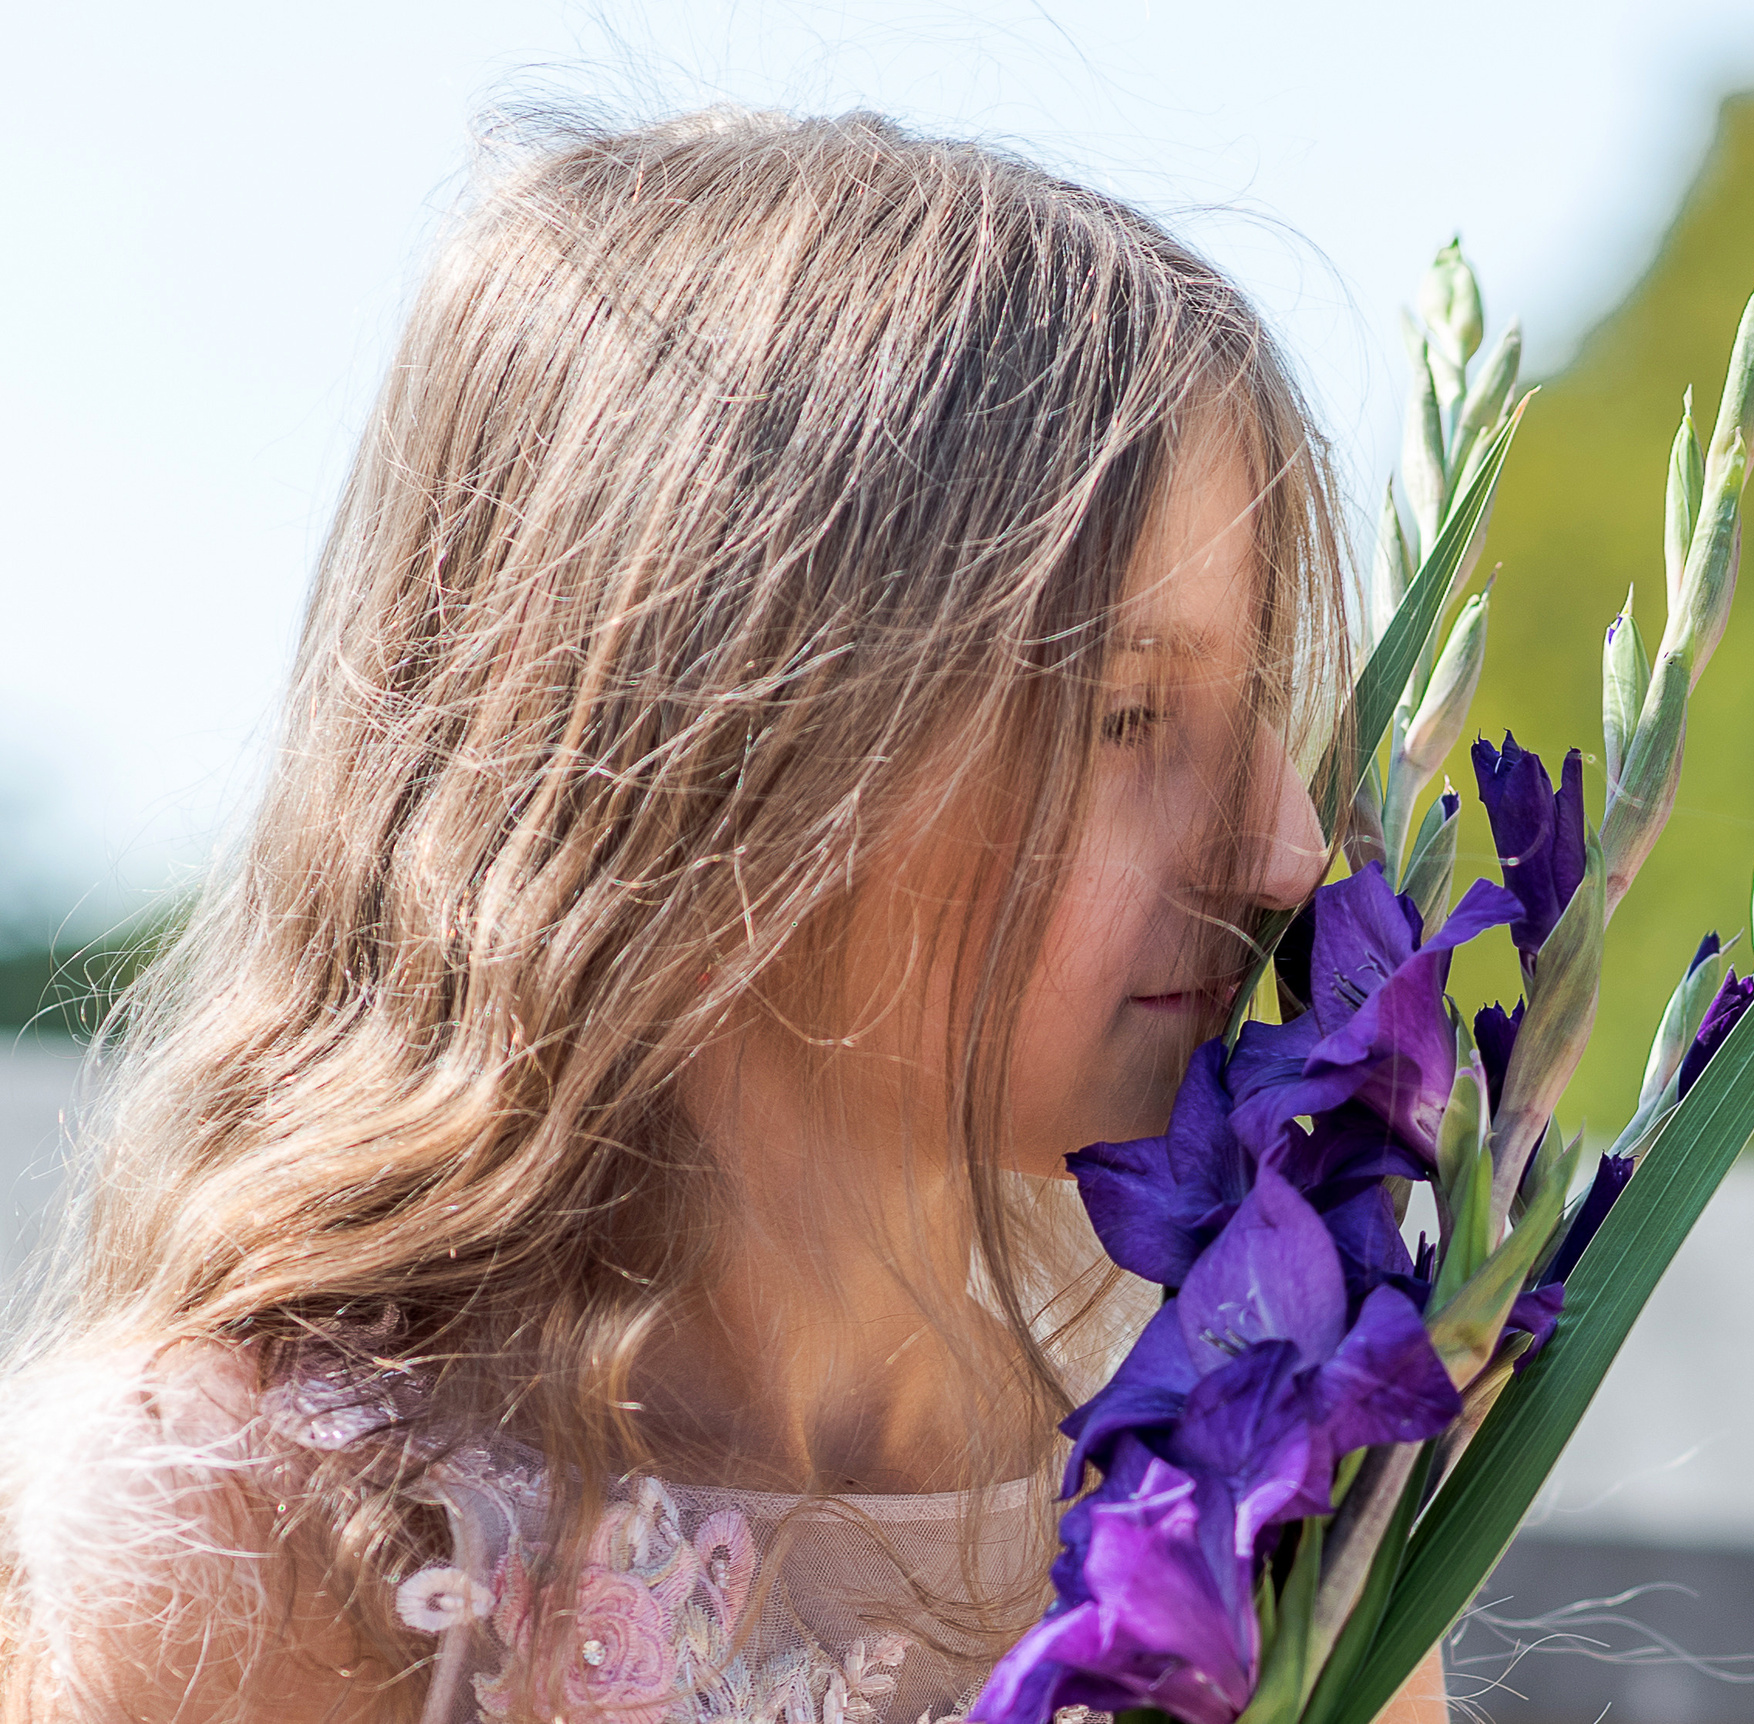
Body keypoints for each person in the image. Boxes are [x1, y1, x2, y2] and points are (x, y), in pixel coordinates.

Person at [0, 106, 1447, 1724]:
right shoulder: (259, 1544)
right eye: (1123, 719)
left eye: (1258, 715)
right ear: (709, 769)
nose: (1288, 845)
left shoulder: (1239, 1512)